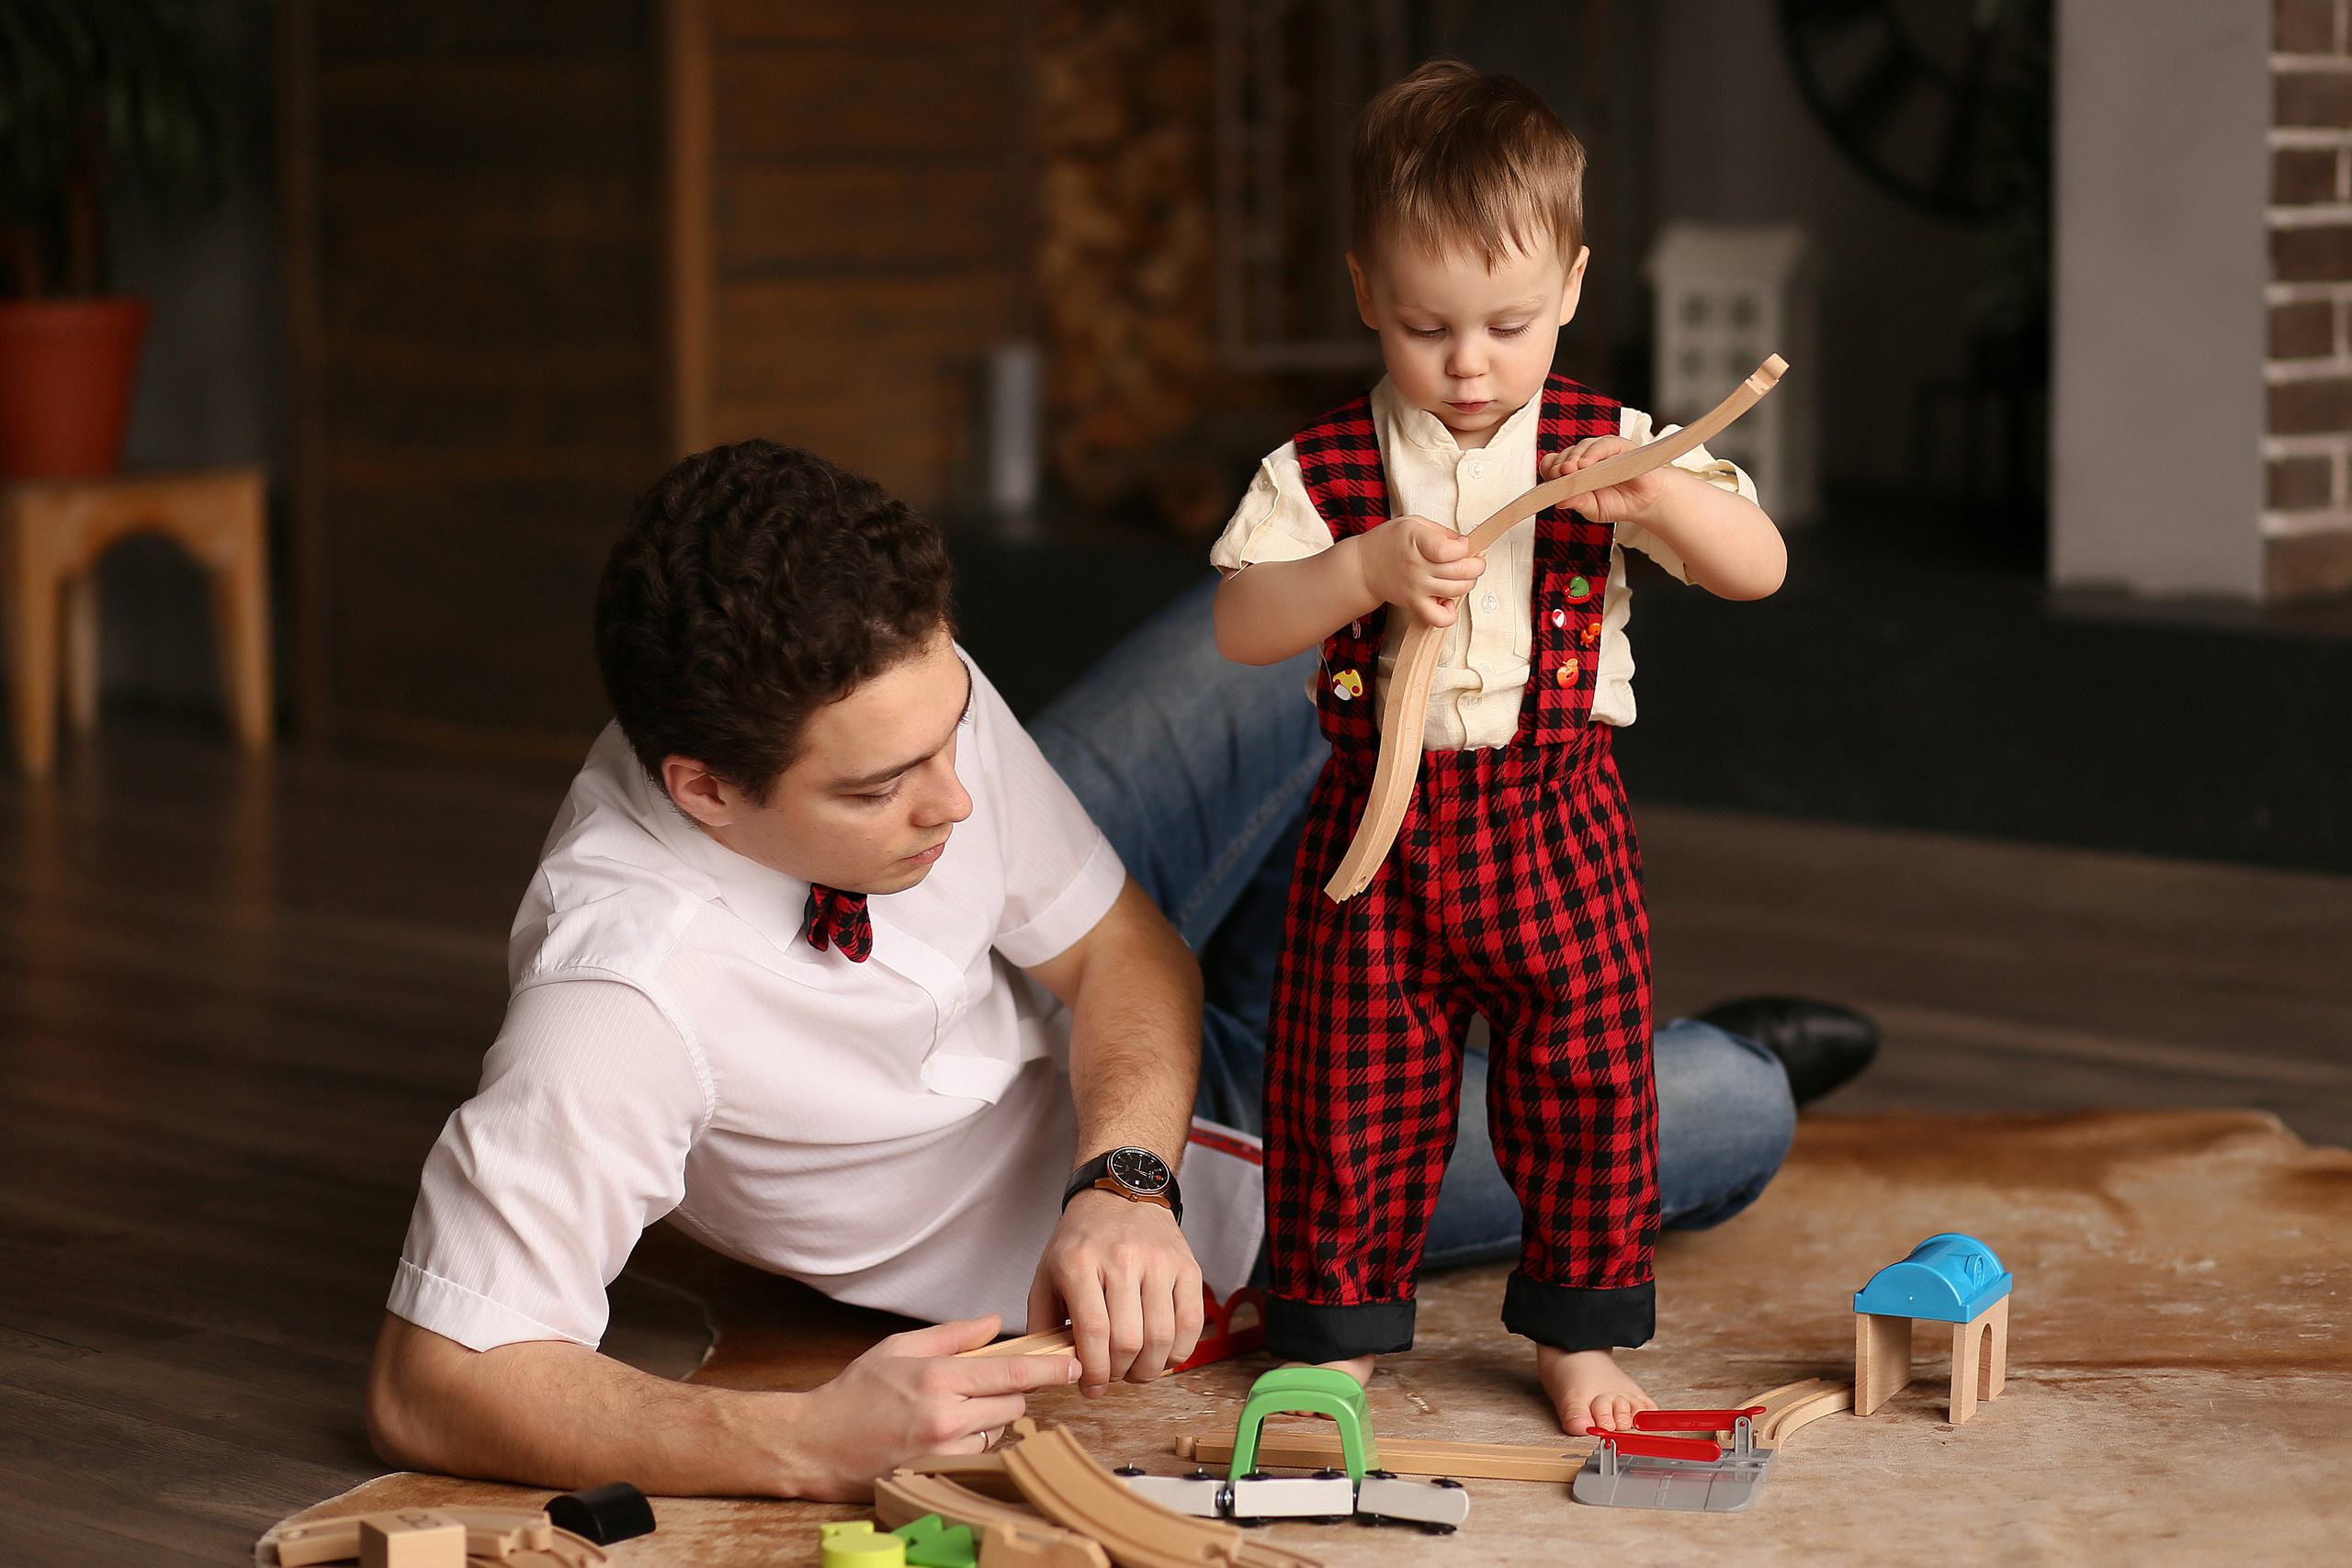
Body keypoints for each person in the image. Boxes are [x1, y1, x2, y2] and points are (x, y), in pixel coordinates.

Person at [366, 438, 1857, 1502]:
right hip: (1217, 1141)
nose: (954, 806)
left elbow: (1119, 945)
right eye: (886, 787)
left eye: (953, 728)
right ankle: (1567, 1058)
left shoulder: (889, 696)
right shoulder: (619, 1010)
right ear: (700, 790)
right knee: (1725, 1105)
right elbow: (436, 1373)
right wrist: (806, 1441)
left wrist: (1117, 1175)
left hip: (1110, 1116)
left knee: (1328, 600)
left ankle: (1456, 995)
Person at [1209, 61, 1788, 1437]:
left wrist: (1669, 505)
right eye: (1425, 327)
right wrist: (1358, 571)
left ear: (1575, 287)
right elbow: (1241, 622)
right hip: (1377, 830)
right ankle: (1335, 1333)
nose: (1468, 365)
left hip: (1555, 815)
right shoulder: (1327, 468)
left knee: (1591, 1081)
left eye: (1508, 324)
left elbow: (1756, 567)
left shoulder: (1614, 442)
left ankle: (1579, 1333)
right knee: (1344, 1086)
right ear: (1366, 294)